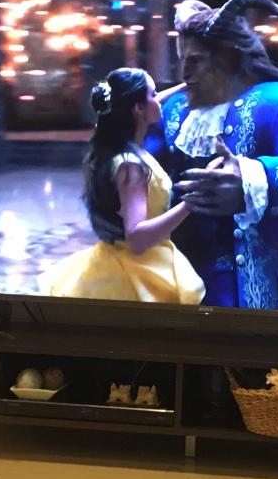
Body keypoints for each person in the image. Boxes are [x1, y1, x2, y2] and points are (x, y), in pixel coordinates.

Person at [147, 0, 278, 310]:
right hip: (168, 294)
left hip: (248, 303)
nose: (184, 73)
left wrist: (251, 181)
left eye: (196, 61)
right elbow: (136, 174)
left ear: (229, 57)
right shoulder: (172, 109)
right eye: (182, 61)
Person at [40, 68, 205, 304]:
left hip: (118, 257)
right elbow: (136, 239)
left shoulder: (120, 146)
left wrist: (183, 87)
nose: (159, 98)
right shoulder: (130, 166)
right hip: (135, 271)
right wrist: (189, 204)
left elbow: (149, 102)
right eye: (153, 94)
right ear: (138, 109)